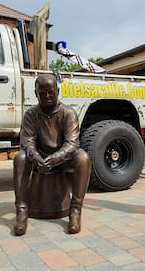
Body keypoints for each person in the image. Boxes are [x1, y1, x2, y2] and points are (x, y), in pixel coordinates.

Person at [13, 74, 90, 236]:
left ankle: (75, 212)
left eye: (51, 92)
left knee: (82, 157)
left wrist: (55, 158)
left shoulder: (68, 113)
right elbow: (26, 142)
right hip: (39, 158)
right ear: (35, 94)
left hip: (63, 159)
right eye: (42, 93)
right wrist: (37, 158)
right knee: (20, 158)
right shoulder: (31, 115)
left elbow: (72, 143)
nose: (47, 96)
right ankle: (22, 212)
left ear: (57, 91)